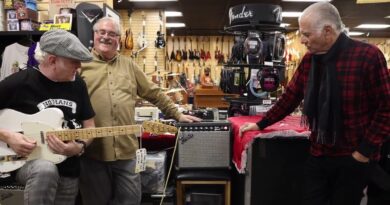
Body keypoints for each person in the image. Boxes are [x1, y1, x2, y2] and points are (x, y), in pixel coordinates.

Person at [239, 2, 390, 205]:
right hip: (318, 153)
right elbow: (290, 97)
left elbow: (386, 108)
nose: (302, 40)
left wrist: (363, 152)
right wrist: (261, 124)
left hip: (354, 158)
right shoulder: (310, 60)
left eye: (306, 34)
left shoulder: (368, 57)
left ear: (327, 31)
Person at [78, 17, 201, 205]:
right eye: (101, 32)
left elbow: (154, 93)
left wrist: (177, 114)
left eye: (112, 34)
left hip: (126, 151)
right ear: (94, 35)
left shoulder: (129, 66)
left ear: (119, 39)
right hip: (93, 152)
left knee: (131, 200)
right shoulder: (80, 66)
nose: (106, 37)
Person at [0, 29, 95, 205]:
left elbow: (90, 127)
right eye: (74, 61)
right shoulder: (19, 82)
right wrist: (9, 136)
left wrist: (78, 147)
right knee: (45, 169)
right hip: (27, 163)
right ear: (52, 60)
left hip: (69, 171)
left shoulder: (78, 84)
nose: (79, 66)